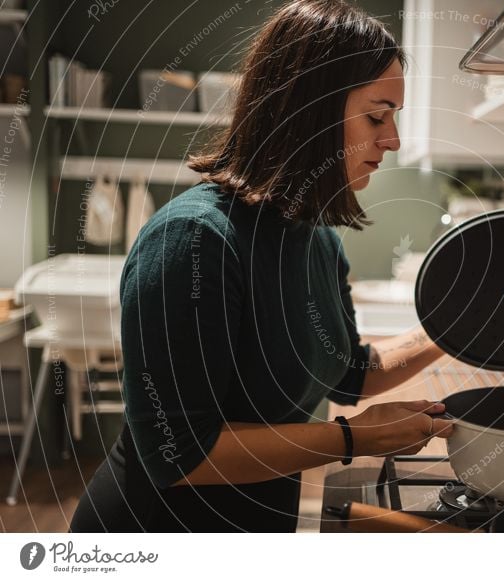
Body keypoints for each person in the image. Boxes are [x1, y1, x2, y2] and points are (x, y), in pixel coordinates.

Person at [69, 0, 453, 533]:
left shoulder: (315, 237)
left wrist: (457, 325)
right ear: (309, 107)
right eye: (376, 114)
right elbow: (178, 454)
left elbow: (348, 372)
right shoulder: (194, 240)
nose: (392, 139)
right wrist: (355, 438)